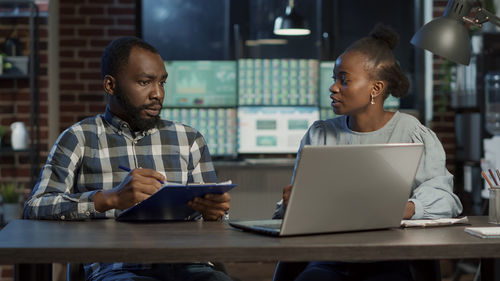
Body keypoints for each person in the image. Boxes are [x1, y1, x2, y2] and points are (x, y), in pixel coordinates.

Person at [24, 36, 232, 281]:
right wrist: (109, 199)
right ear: (110, 86)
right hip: (117, 270)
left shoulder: (189, 139)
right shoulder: (79, 138)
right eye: (144, 82)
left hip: (189, 267)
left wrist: (214, 213)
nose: (158, 94)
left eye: (162, 83)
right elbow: (34, 207)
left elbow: (216, 224)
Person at [272, 24, 463, 281]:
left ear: (376, 88)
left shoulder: (411, 133)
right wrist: (291, 204)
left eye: (344, 80)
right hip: (328, 261)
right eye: (334, 78)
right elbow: (290, 215)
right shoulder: (320, 134)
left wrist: (402, 208)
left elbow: (444, 198)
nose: (333, 87)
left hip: (390, 261)